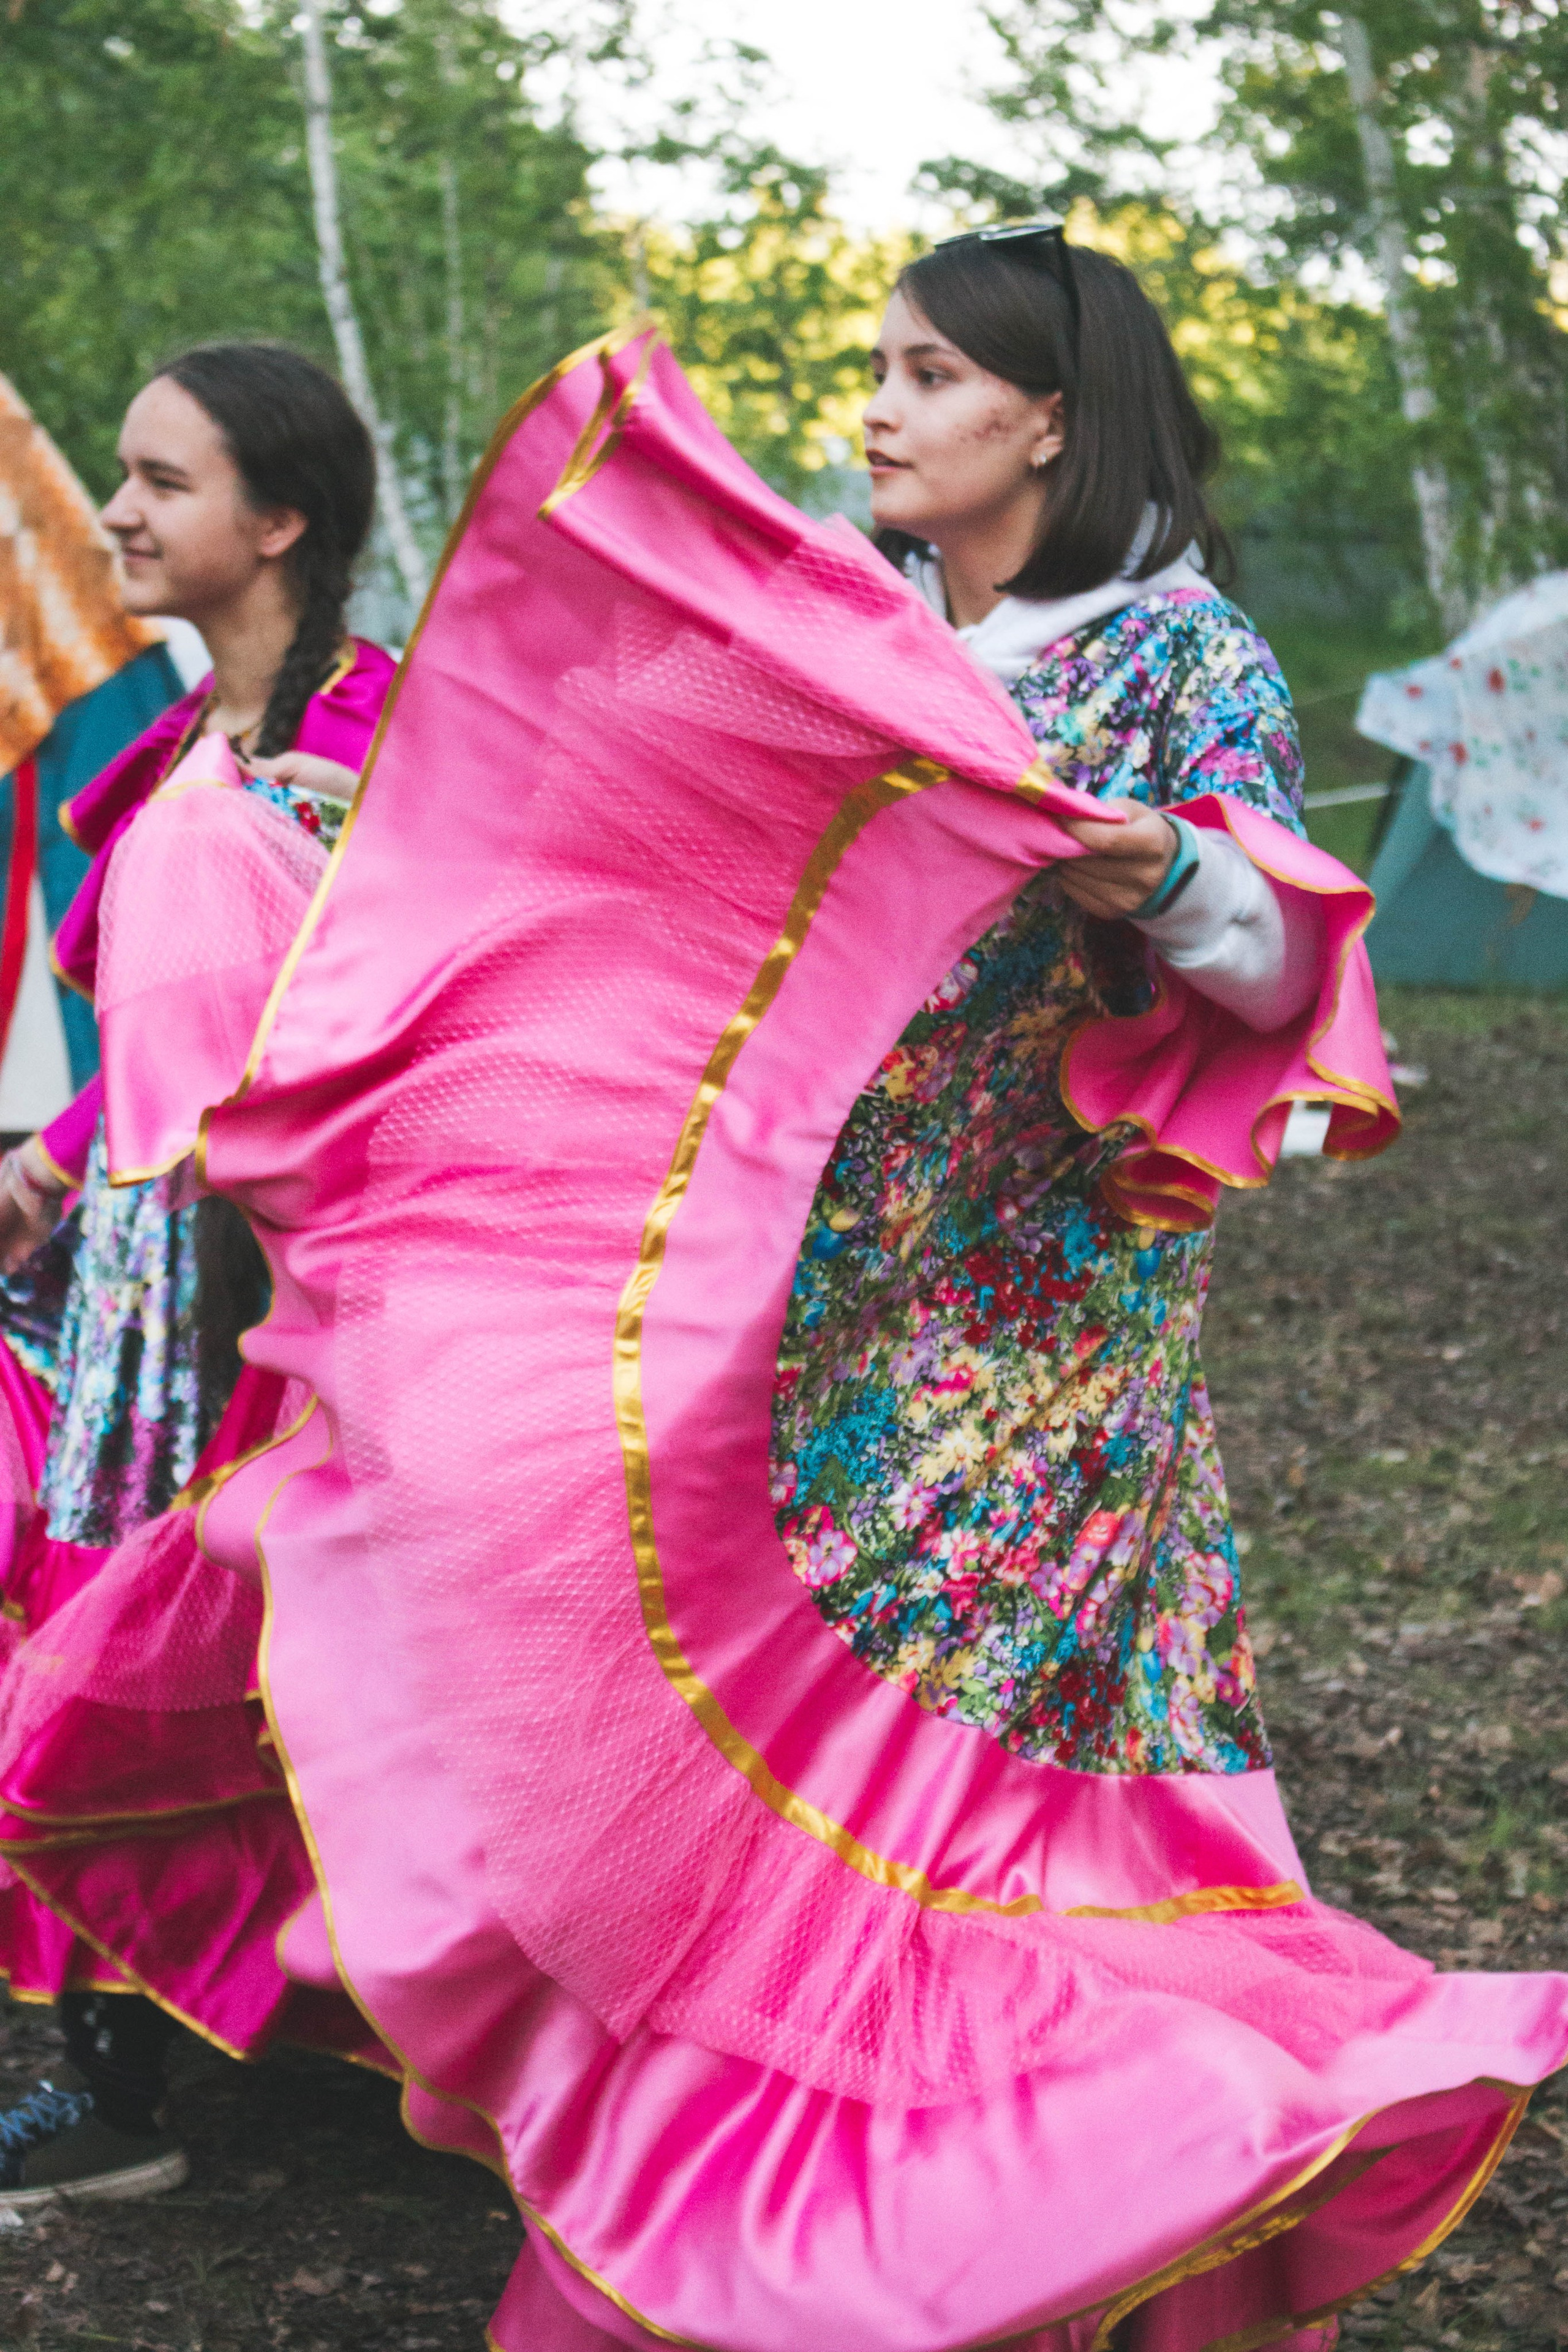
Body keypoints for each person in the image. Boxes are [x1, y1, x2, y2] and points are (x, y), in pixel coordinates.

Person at [8, 261, 1565, 2348]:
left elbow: (1284, 963)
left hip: (1036, 1355)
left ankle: (1048, 2203)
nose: (884, 409)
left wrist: (1159, 867)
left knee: (970, 1804)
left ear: (1052, 421)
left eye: (934, 376)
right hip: (777, 1306)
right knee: (718, 1769)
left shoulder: (1177, 658)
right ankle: (777, 2227)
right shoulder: (843, 634)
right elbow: (565, 836)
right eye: (882, 370)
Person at [0, 341, 394, 2205]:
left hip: (328, 1287)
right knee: (110, 1630)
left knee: (326, 1672)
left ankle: (392, 2054)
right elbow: (141, 1034)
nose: (120, 514)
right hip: (152, 1284)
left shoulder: (398, 742)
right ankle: (126, 2076)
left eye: (162, 481)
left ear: (282, 517)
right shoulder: (175, 752)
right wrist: (47, 1173)